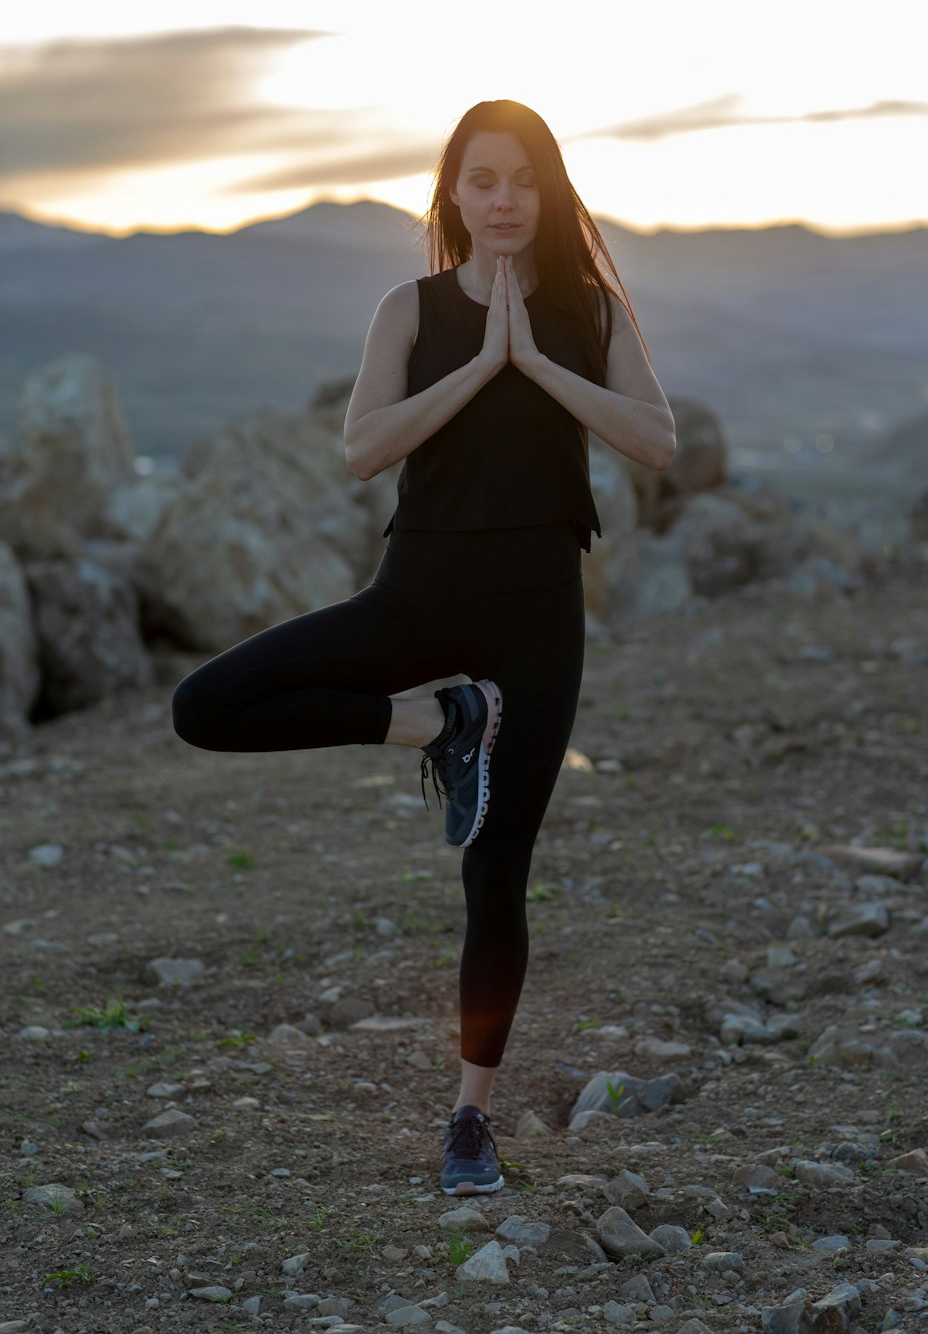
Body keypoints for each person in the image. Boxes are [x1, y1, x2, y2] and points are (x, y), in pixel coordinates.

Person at [171, 99, 676, 1195]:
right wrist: (480, 363)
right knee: (205, 707)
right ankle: (434, 720)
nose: (503, 200)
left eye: (523, 180)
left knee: (495, 874)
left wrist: (535, 362)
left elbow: (656, 439)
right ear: (451, 193)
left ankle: (468, 1122)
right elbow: (363, 450)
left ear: (547, 195)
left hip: (538, 621)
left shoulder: (591, 313)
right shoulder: (406, 308)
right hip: (417, 601)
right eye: (481, 179)